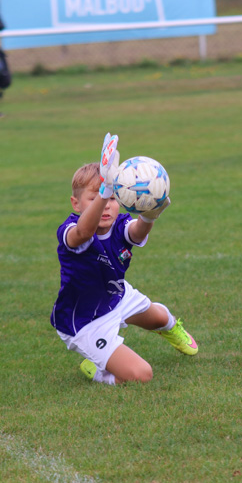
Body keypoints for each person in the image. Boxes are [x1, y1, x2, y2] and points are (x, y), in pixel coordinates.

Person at [50, 134, 198, 385]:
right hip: (85, 322)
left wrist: (150, 217)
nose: (106, 205)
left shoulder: (119, 224)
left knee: (161, 319)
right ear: (76, 204)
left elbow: (135, 233)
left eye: (111, 198)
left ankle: (172, 328)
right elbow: (84, 233)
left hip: (117, 296)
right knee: (142, 375)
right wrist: (105, 189)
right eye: (96, 198)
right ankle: (96, 370)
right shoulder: (71, 229)